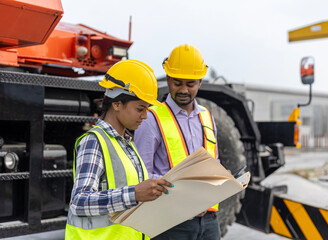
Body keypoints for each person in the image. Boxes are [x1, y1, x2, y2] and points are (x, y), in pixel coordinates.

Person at [65, 59, 173, 240]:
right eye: (140, 108)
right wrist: (134, 193)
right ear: (116, 104)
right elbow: (79, 202)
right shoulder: (94, 141)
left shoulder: (127, 143)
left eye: (147, 109)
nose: (145, 116)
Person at [134, 44, 221, 240]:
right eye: (177, 83)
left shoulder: (207, 117)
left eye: (190, 84)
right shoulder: (151, 119)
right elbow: (141, 176)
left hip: (209, 221)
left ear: (200, 81)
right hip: (171, 223)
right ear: (168, 79)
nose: (183, 90)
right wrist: (184, 198)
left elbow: (214, 165)